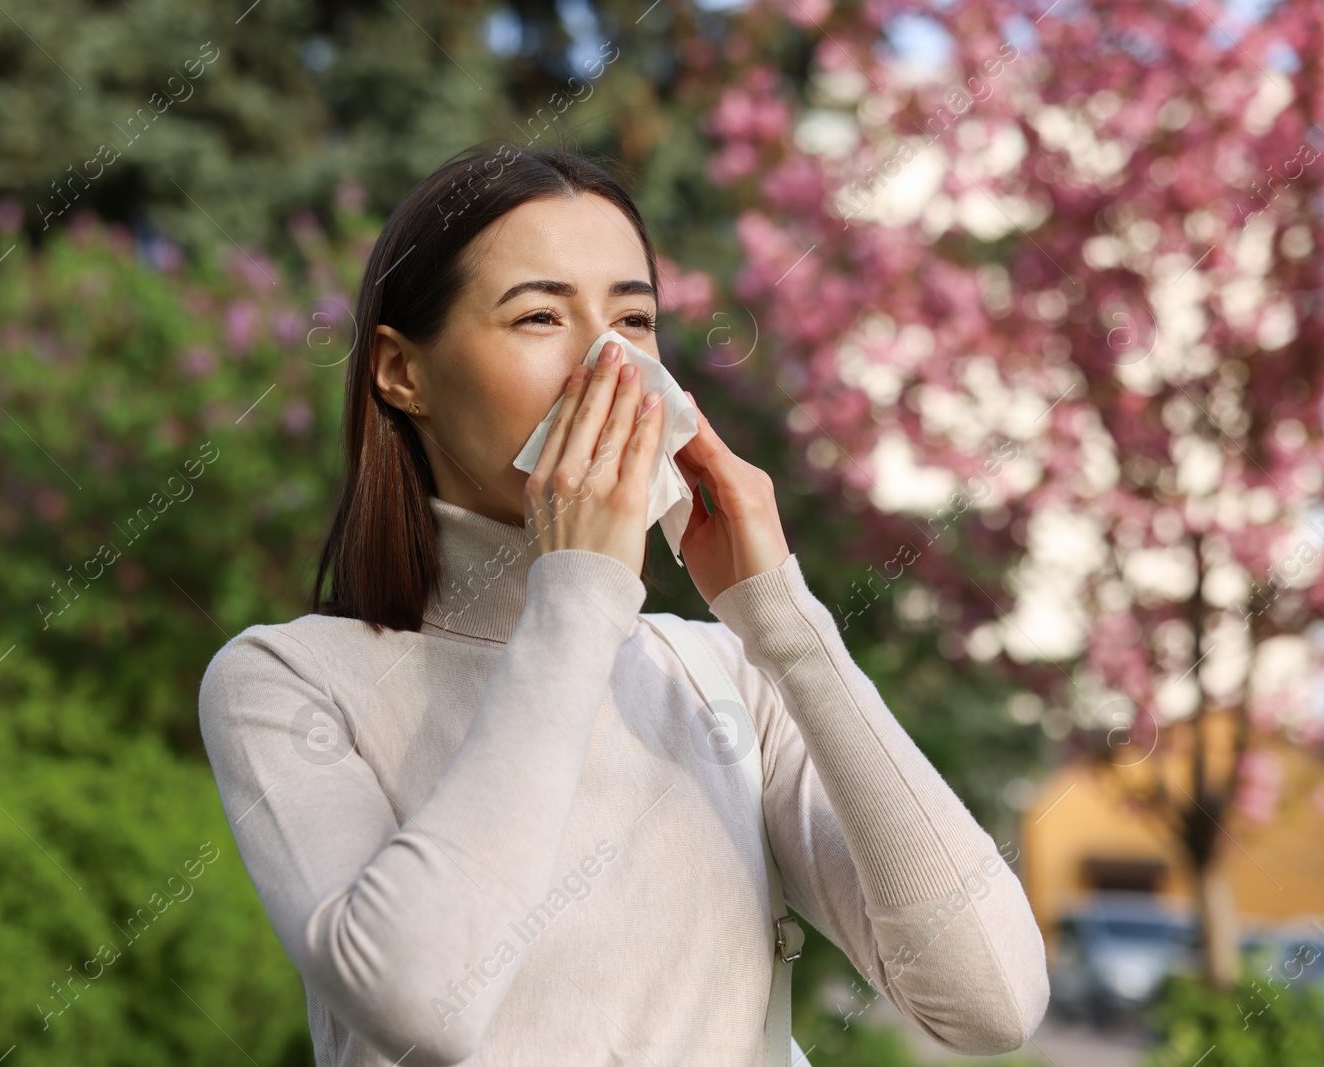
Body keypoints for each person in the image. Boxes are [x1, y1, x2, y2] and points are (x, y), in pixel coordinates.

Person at [198, 144, 1049, 1067]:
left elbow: (992, 1003)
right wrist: (578, 595)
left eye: (634, 319)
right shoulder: (289, 681)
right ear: (402, 372)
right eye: (538, 316)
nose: (607, 364)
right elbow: (420, 1006)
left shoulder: (720, 674)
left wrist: (787, 627)